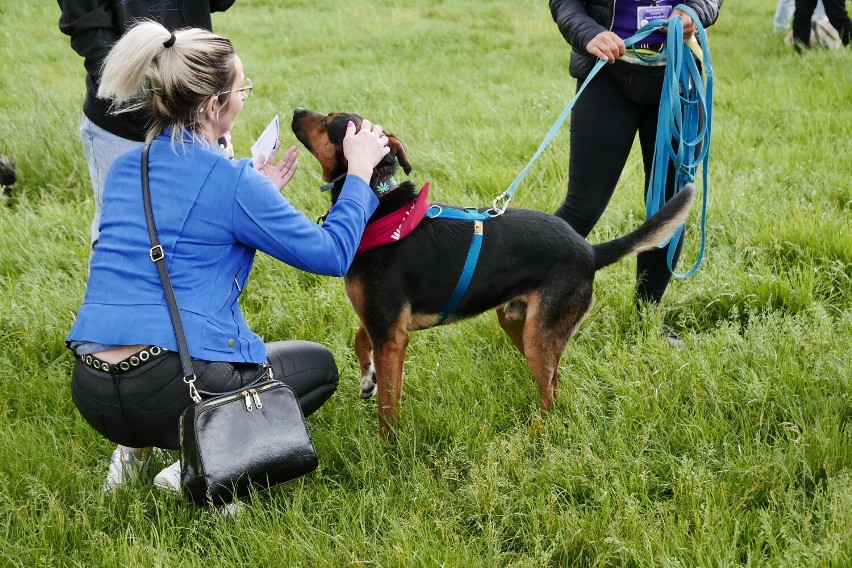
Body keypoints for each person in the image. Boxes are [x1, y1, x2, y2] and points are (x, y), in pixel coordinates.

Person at [65, 21, 390, 495]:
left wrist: (252, 196)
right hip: (172, 392)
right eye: (243, 89)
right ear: (213, 105)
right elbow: (334, 254)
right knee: (318, 369)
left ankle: (129, 461)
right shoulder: (233, 182)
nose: (245, 98)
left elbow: (181, 235)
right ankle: (202, 461)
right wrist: (358, 175)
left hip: (92, 390)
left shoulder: (124, 168)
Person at [549, 0, 723, 344]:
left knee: (668, 206)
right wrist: (590, 33)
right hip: (606, 75)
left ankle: (648, 318)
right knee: (584, 204)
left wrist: (694, 11)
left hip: (678, 75)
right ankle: (526, 295)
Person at [57, 0, 237, 246]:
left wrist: (196, 100)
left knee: (205, 227)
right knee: (122, 235)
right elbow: (90, 31)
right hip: (122, 124)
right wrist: (155, 98)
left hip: (198, 107)